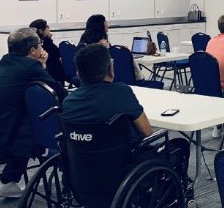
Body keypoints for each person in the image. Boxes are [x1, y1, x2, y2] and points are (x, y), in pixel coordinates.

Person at [61, 44, 190, 181]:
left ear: (78, 74)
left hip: (81, 177)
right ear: (110, 69)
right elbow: (146, 132)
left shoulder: (68, 102)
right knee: (180, 145)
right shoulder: (121, 93)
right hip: (120, 173)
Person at [0, 28, 68, 198]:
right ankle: (67, 179)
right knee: (42, 129)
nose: (42, 48)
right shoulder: (30, 66)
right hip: (0, 138)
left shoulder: (6, 61)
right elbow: (59, 93)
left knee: (27, 120)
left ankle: (7, 181)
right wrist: (42, 66)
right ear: (32, 50)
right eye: (40, 45)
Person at [79, 14, 143, 81]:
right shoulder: (100, 44)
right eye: (105, 21)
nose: (107, 24)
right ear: (101, 25)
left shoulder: (84, 42)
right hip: (103, 77)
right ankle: (139, 79)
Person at [29, 19, 64, 83]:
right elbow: (56, 54)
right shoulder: (45, 43)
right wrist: (49, 39)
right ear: (41, 31)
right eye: (47, 28)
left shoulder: (31, 45)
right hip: (54, 76)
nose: (49, 30)